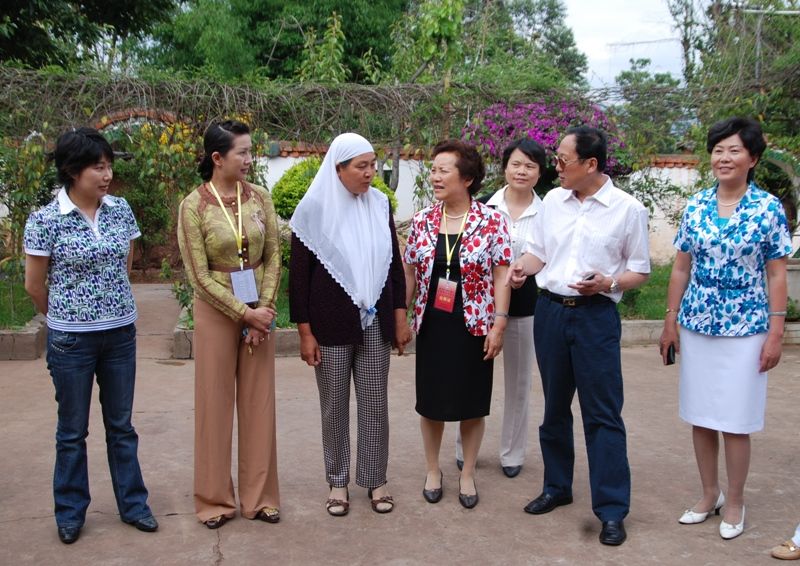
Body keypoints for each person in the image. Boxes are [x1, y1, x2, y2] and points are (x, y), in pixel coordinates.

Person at [508, 126, 650, 545]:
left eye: (562, 160)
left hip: (595, 318)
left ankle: (610, 510)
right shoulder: (553, 200)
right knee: (554, 407)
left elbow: (640, 270)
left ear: (590, 164)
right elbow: (539, 252)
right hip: (550, 312)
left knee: (602, 414)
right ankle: (557, 486)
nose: (556, 167)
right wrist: (523, 268)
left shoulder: (628, 209)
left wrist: (608, 282)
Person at [659, 117, 792, 540]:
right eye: (718, 149)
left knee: (735, 420)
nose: (724, 157)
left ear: (752, 158)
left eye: (734, 150)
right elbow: (681, 267)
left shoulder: (768, 208)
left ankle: (735, 499)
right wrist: (670, 319)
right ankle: (708, 494)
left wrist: (775, 331)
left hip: (747, 327)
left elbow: (776, 275)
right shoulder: (696, 205)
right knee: (701, 415)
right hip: (698, 324)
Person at [24, 127, 158, 544]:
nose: (106, 174)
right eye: (97, 167)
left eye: (108, 165)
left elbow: (126, 262)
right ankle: (70, 513)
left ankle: (134, 505)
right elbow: (34, 285)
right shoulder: (46, 219)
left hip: (120, 334)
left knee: (121, 425)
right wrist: (65, 317)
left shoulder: (120, 210)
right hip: (71, 344)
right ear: (72, 170)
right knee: (72, 431)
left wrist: (108, 306)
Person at [289, 132, 410, 516]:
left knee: (375, 403)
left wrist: (400, 316)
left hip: (375, 322)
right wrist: (305, 332)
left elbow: (393, 265)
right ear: (337, 169)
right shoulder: (313, 211)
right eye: (362, 166)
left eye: (373, 165)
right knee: (334, 406)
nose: (370, 173)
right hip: (329, 326)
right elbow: (299, 279)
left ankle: (376, 479)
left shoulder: (378, 205)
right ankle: (337, 481)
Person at [178, 120, 281, 529]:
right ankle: (214, 501)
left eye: (250, 151)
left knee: (259, 404)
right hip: (217, 311)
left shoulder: (260, 198)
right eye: (242, 152)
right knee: (214, 406)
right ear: (217, 158)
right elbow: (198, 276)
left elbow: (273, 255)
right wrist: (244, 313)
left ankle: (260, 499)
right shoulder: (193, 206)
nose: (249, 159)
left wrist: (264, 310)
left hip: (260, 311)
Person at [404, 140, 511, 510]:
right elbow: (410, 272)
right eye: (433, 170)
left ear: (466, 178)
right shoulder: (422, 220)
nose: (434, 176)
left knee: (471, 403)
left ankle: (467, 473)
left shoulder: (492, 220)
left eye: (442, 170)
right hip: (433, 322)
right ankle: (433, 469)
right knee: (431, 402)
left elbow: (501, 275)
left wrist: (499, 324)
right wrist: (401, 316)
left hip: (475, 323)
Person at [454, 138, 545, 478]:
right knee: (470, 379)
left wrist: (526, 269)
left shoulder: (549, 212)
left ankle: (512, 453)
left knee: (519, 382)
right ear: (504, 167)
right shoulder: (482, 208)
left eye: (530, 165)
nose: (522, 171)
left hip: (526, 306)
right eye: (516, 164)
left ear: (539, 172)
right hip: (478, 309)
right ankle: (464, 449)